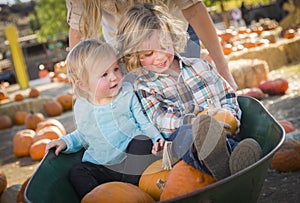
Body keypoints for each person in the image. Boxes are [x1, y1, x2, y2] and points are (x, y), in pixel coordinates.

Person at [116, 2, 262, 180]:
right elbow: (160, 120)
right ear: (135, 56)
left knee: (224, 139)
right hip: (183, 145)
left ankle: (230, 160)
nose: (160, 57)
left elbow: (227, 95)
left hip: (221, 132)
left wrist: (228, 117)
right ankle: (228, 164)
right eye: (148, 54)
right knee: (187, 136)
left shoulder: (200, 66)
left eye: (164, 46)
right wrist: (198, 122)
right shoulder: (145, 86)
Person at [45, 39, 165, 199]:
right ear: (84, 85)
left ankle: (131, 191)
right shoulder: (83, 106)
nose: (114, 77)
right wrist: (66, 142)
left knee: (142, 141)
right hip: (102, 166)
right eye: (104, 74)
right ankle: (100, 198)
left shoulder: (126, 94)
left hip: (129, 161)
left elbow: (143, 122)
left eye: (116, 69)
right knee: (77, 172)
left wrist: (157, 138)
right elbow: (84, 134)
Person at [66, 0, 238, 90]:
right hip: (126, 48)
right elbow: (79, 32)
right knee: (145, 101)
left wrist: (223, 71)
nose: (159, 58)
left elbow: (193, 9)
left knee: (188, 88)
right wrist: (81, 94)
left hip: (171, 36)